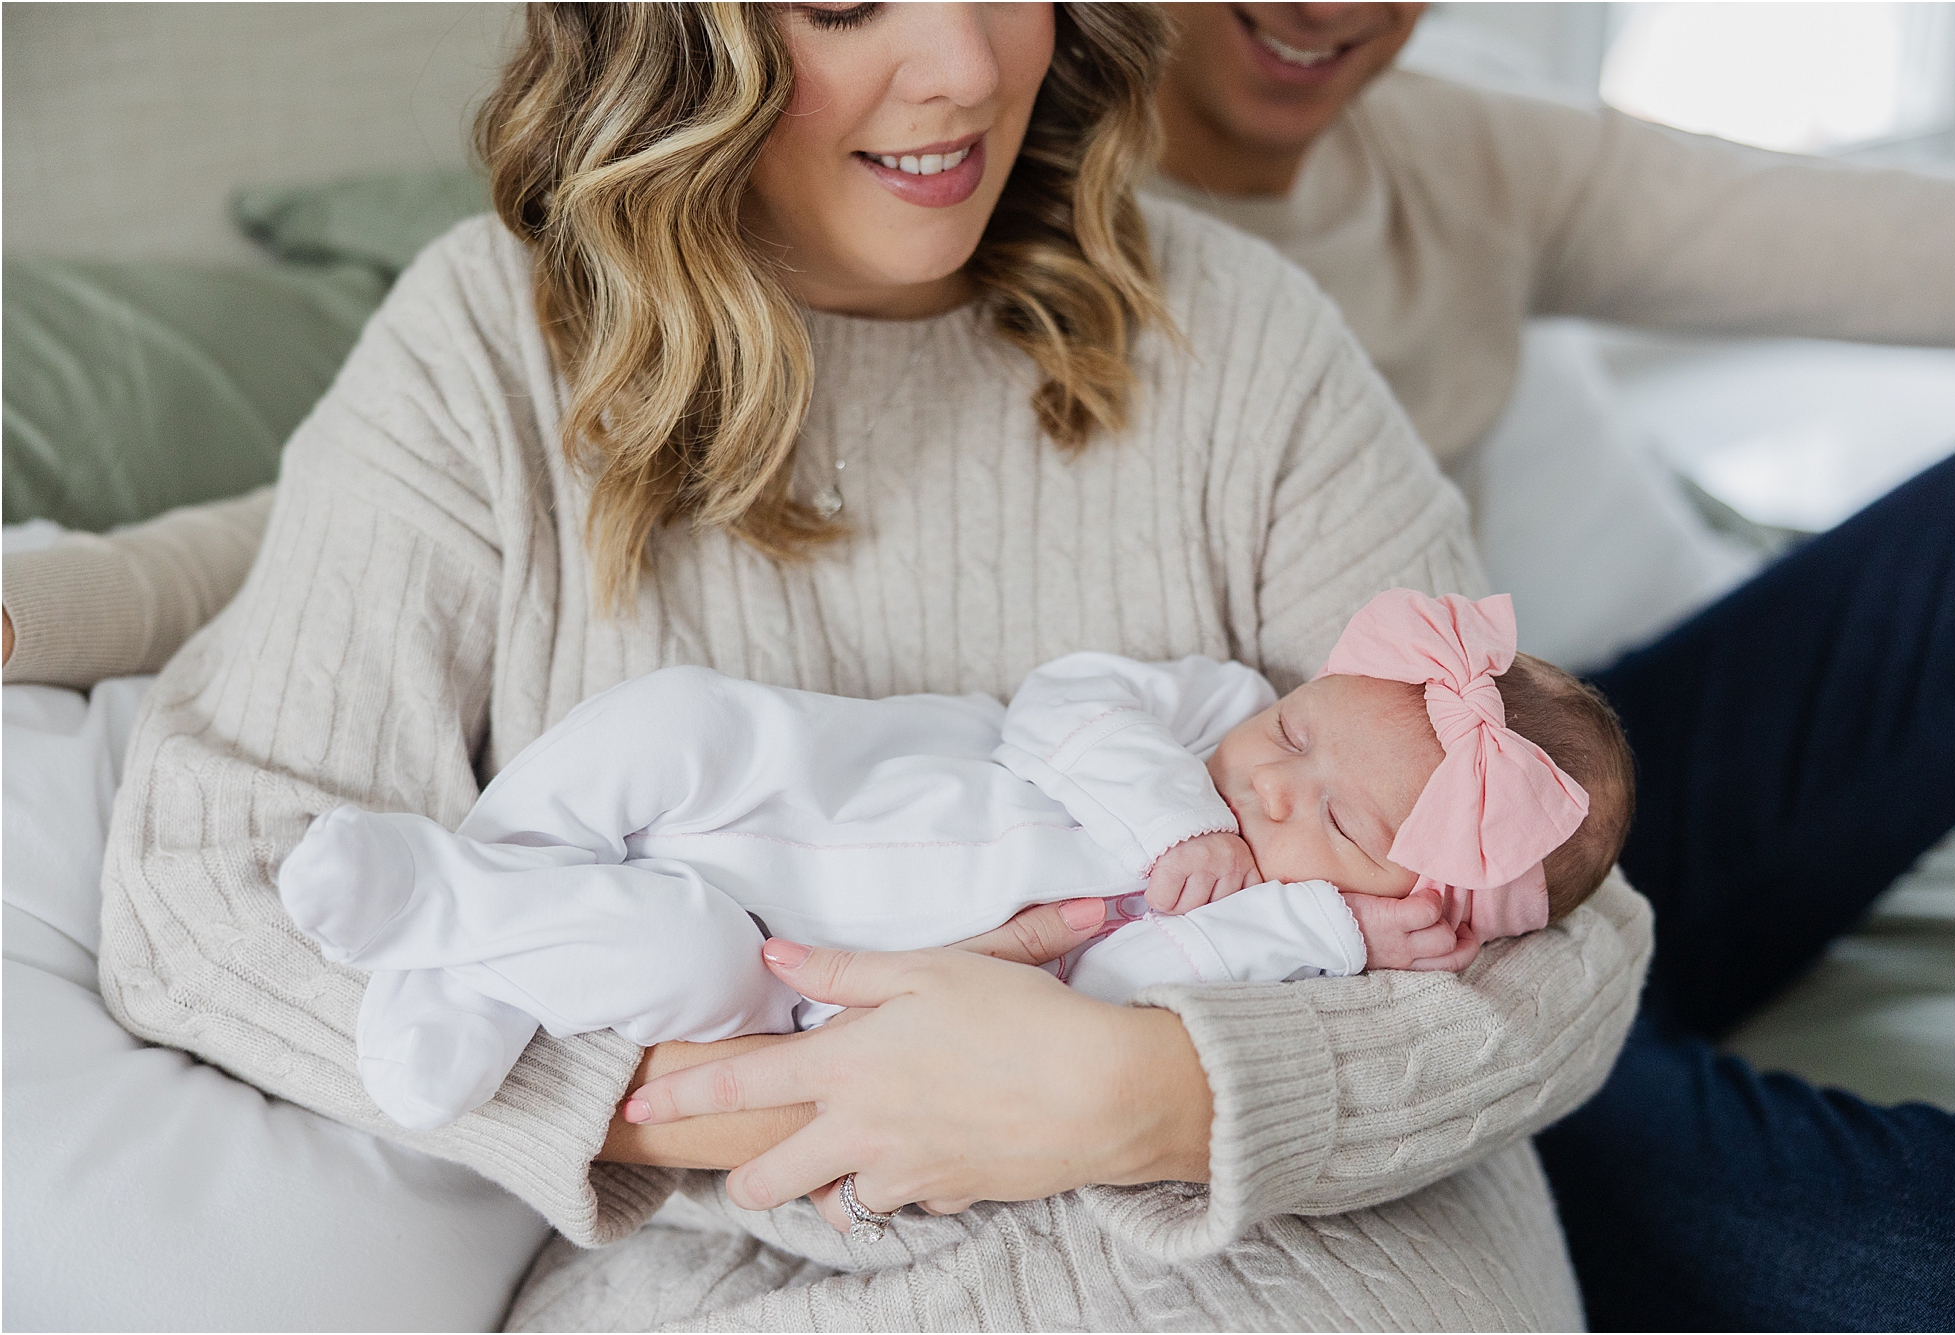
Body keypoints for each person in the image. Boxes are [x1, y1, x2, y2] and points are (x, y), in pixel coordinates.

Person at [20, 5, 1651, 1329]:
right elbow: (210, 890)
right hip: (750, 1267)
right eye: (848, 3)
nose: (965, 64)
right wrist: (740, 1094)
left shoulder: (1236, 341)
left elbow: (1563, 939)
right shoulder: (488, 356)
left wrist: (1142, 1093)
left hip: (1294, 1255)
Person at [1138, 4, 1955, 1330]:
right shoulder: (994, 211)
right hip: (1373, 979)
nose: (1333, 11)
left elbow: (1910, 243)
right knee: (1926, 1254)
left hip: (1572, 801)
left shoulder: (1458, 153)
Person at [275, 588, 1632, 1132]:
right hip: (811, 771)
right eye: (1297, 730)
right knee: (672, 714)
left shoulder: (1268, 945)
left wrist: (1316, 937)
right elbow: (1065, 704)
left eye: (1331, 826)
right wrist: (1184, 823)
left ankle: (450, 931)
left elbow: (1119, 995)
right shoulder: (1211, 713)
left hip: (783, 967)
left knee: (664, 955)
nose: (1273, 776)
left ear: (1411, 899)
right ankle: (486, 876)